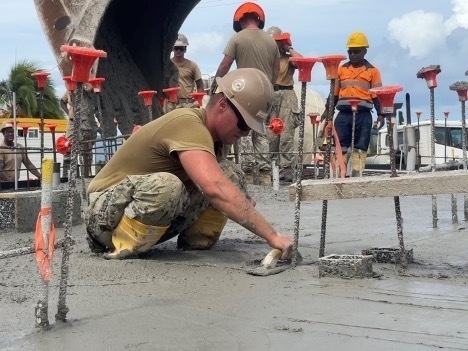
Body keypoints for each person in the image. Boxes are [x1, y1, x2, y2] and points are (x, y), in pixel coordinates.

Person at [84, 68, 293, 260]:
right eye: (243, 123)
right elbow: (215, 188)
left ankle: (196, 242)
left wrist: (242, 203)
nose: (245, 132)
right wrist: (271, 235)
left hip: (140, 212)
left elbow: (223, 185)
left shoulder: (218, 140)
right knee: (168, 186)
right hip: (104, 216)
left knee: (231, 175)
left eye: (250, 127)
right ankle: (122, 248)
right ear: (222, 105)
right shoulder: (188, 123)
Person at [213, 2, 280, 185]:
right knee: (261, 131)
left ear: (241, 21)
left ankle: (249, 175)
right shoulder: (271, 41)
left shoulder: (237, 39)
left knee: (244, 130)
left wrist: (215, 85)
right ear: (259, 19)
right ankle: (265, 175)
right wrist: (269, 87)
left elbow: (225, 65)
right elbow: (276, 69)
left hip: (245, 92)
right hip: (266, 91)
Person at [321, 31, 384, 177]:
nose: (353, 55)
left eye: (356, 52)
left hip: (363, 115)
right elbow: (334, 94)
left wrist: (381, 114)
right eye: (350, 52)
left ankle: (357, 176)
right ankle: (339, 176)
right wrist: (327, 113)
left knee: (360, 148)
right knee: (340, 145)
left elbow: (378, 96)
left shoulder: (373, 71)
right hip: (344, 115)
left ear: (364, 51)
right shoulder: (341, 69)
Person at [266, 26, 302, 183]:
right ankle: (272, 171)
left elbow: (301, 63)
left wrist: (289, 47)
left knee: (286, 135)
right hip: (270, 94)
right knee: (271, 135)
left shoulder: (288, 59)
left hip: (287, 94)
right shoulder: (265, 59)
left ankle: (287, 173)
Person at [166, 33, 204, 112]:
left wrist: (199, 101)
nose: (179, 50)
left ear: (185, 49)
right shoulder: (167, 65)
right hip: (171, 103)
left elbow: (200, 85)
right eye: (176, 48)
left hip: (188, 103)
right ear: (173, 48)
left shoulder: (192, 65)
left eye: (181, 48)